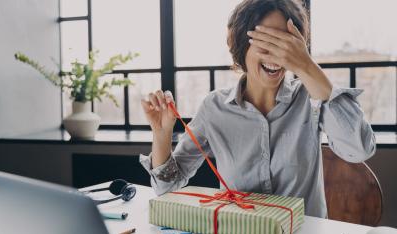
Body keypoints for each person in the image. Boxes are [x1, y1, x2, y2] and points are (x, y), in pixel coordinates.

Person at [139, 0, 376, 218]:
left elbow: (360, 149)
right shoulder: (214, 108)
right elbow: (166, 186)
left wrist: (307, 66)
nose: (277, 54)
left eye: (286, 43)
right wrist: (161, 135)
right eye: (266, 42)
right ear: (241, 46)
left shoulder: (311, 98)